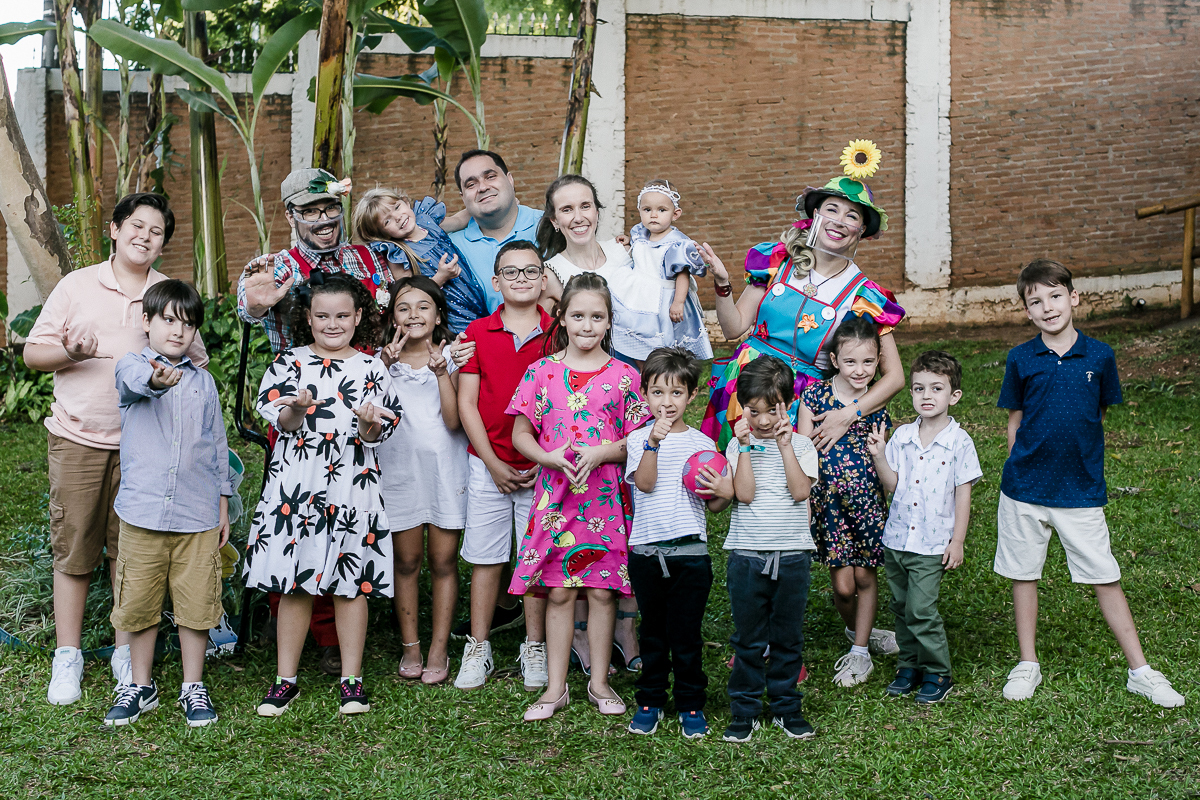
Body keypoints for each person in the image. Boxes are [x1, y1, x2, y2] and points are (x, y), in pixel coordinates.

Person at [24, 192, 208, 705]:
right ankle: (68, 656)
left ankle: (127, 653)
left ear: (163, 244)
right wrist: (70, 351)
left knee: (131, 552)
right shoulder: (77, 285)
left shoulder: (167, 296)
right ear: (115, 229)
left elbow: (196, 363)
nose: (145, 237)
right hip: (78, 439)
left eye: (157, 232)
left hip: (146, 450)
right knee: (75, 549)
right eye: (137, 226)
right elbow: (33, 353)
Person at [994, 260, 1185, 708]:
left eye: (1055, 296)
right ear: (1026, 310)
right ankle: (1027, 663)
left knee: (1104, 574)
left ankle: (1140, 670)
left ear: (1073, 297)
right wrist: (1018, 463)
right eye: (1036, 301)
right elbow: (1015, 418)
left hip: (1079, 489)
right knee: (1024, 574)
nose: (1047, 307)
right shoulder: (1021, 358)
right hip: (1024, 488)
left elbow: (1098, 412)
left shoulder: (1100, 356)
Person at [239, 168, 389, 674]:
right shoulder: (273, 265)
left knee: (347, 512)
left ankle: (334, 632)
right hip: (298, 403)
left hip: (362, 401)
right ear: (291, 215)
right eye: (310, 211)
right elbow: (248, 308)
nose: (324, 220)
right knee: (296, 516)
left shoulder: (368, 257)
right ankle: (292, 616)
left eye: (329, 208)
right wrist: (258, 300)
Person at [245, 273, 402, 717]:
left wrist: (369, 423)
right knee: (295, 581)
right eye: (322, 316)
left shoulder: (371, 368)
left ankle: (352, 679)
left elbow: (377, 433)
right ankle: (285, 679)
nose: (332, 324)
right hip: (299, 483)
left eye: (342, 316)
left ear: (358, 317)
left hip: (352, 483)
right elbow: (284, 424)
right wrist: (296, 408)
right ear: (308, 319)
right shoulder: (289, 363)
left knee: (352, 584)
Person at [507, 272, 650, 722]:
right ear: (563, 319)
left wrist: (603, 451)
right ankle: (555, 688)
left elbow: (640, 440)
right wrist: (547, 457)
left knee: (603, 593)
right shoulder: (541, 372)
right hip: (556, 502)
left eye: (597, 317)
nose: (587, 326)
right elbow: (520, 433)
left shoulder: (625, 376)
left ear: (609, 322)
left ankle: (600, 682)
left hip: (605, 502)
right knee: (558, 592)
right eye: (578, 316)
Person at [702, 140, 905, 452]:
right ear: (816, 215)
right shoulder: (776, 261)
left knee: (787, 479)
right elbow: (733, 329)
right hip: (745, 386)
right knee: (733, 472)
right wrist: (722, 283)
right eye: (832, 210)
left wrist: (847, 415)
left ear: (862, 229)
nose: (839, 221)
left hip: (802, 404)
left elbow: (895, 378)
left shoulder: (864, 295)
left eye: (852, 216)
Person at [104, 280, 232, 727]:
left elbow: (217, 444)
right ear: (147, 321)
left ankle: (192, 686)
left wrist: (222, 503)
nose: (179, 331)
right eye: (169, 320)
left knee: (196, 605)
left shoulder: (204, 382)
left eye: (188, 324)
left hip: (197, 514)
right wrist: (156, 380)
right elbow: (135, 384)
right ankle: (140, 686)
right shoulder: (132, 366)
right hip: (143, 513)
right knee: (139, 603)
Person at [534, 173, 642, 669]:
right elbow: (555, 329)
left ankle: (625, 627)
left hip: (629, 376)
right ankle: (578, 636)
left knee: (626, 519)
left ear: (598, 208)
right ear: (554, 220)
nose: (578, 216)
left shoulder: (627, 253)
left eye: (585, 206)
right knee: (575, 525)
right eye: (566, 209)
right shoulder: (550, 270)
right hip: (576, 390)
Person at [453, 241, 553, 693]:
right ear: (496, 282)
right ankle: (478, 645)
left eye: (530, 271)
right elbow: (467, 404)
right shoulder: (478, 332)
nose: (521, 279)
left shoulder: (557, 333)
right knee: (485, 557)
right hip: (487, 462)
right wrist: (492, 463)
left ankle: (534, 645)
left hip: (541, 465)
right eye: (510, 272)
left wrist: (543, 459)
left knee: (533, 557)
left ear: (544, 279)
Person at [866, 351, 981, 704]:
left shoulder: (959, 441)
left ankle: (937, 671)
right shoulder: (902, 436)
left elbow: (963, 492)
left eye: (936, 388)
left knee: (921, 610)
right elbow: (891, 484)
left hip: (932, 544)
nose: (926, 396)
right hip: (898, 539)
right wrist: (879, 456)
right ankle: (909, 664)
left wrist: (957, 540)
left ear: (953, 396)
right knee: (901, 607)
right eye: (919, 388)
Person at [715, 357, 819, 743]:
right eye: (753, 411)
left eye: (771, 411)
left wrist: (786, 446)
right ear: (743, 408)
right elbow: (744, 494)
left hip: (792, 556)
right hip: (747, 555)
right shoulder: (737, 446)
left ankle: (787, 708)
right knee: (748, 640)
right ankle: (744, 711)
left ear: (787, 405)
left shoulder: (802, 445)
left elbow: (800, 491)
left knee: (788, 639)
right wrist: (744, 448)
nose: (762, 421)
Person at [624, 347, 722, 739]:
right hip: (647, 553)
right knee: (653, 634)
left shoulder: (703, 444)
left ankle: (690, 703)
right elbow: (645, 484)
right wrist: (653, 442)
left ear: (692, 395)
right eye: (658, 392)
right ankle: (650, 700)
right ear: (645, 394)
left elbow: (715, 503)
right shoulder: (637, 440)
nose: (667, 402)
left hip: (691, 554)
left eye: (676, 392)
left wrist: (724, 488)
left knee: (686, 635)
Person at [798, 315, 898, 687]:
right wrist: (806, 499)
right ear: (835, 360)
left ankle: (860, 651)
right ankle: (860, 629)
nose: (860, 370)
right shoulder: (814, 397)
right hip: (830, 506)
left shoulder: (874, 403)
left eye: (869, 362)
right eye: (851, 361)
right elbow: (803, 453)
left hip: (867, 503)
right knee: (843, 587)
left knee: (865, 577)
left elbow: (884, 456)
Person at [377, 277, 468, 685]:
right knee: (407, 561)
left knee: (443, 561)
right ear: (392, 317)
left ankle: (438, 647)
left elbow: (453, 421)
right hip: (399, 474)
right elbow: (366, 412)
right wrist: (381, 367)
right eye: (404, 307)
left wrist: (441, 372)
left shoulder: (453, 356)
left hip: (445, 472)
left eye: (423, 307)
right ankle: (411, 644)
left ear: (438, 315)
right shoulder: (380, 362)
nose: (413, 315)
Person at [352, 187, 489, 334]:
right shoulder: (398, 253)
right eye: (387, 221)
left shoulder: (428, 222)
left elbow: (459, 220)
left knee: (486, 328)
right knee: (469, 338)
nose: (397, 217)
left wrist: (484, 204)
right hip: (450, 312)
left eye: (397, 207)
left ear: (405, 202)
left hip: (472, 291)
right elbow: (410, 295)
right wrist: (440, 277)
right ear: (382, 234)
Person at [613, 179, 712, 363]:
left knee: (661, 340)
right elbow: (640, 253)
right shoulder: (640, 235)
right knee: (638, 333)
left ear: (675, 214)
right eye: (647, 209)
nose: (653, 215)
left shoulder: (676, 244)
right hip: (639, 294)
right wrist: (627, 242)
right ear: (640, 211)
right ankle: (638, 367)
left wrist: (678, 302)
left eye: (661, 210)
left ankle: (661, 368)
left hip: (663, 298)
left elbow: (682, 275)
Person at [448, 150, 543, 313]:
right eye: (471, 184)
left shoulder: (547, 226)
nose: (483, 187)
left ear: (510, 179)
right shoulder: (452, 248)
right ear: (463, 197)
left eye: (490, 177)